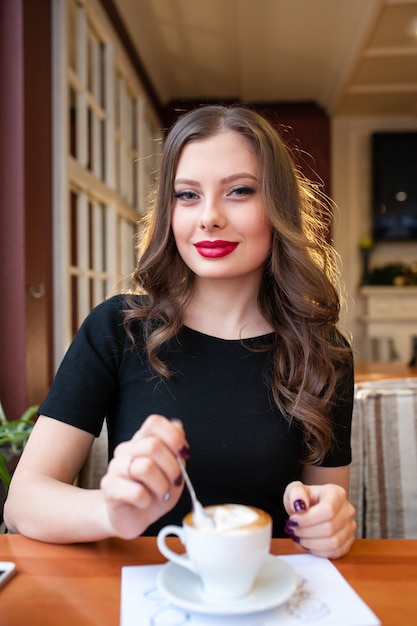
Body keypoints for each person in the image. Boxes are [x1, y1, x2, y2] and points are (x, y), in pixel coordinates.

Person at [5, 105, 356, 557]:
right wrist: (111, 513)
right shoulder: (117, 329)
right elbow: (22, 502)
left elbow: (324, 512)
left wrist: (330, 524)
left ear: (278, 206)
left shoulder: (323, 353)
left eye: (240, 191)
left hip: (266, 596)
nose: (209, 216)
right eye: (187, 195)